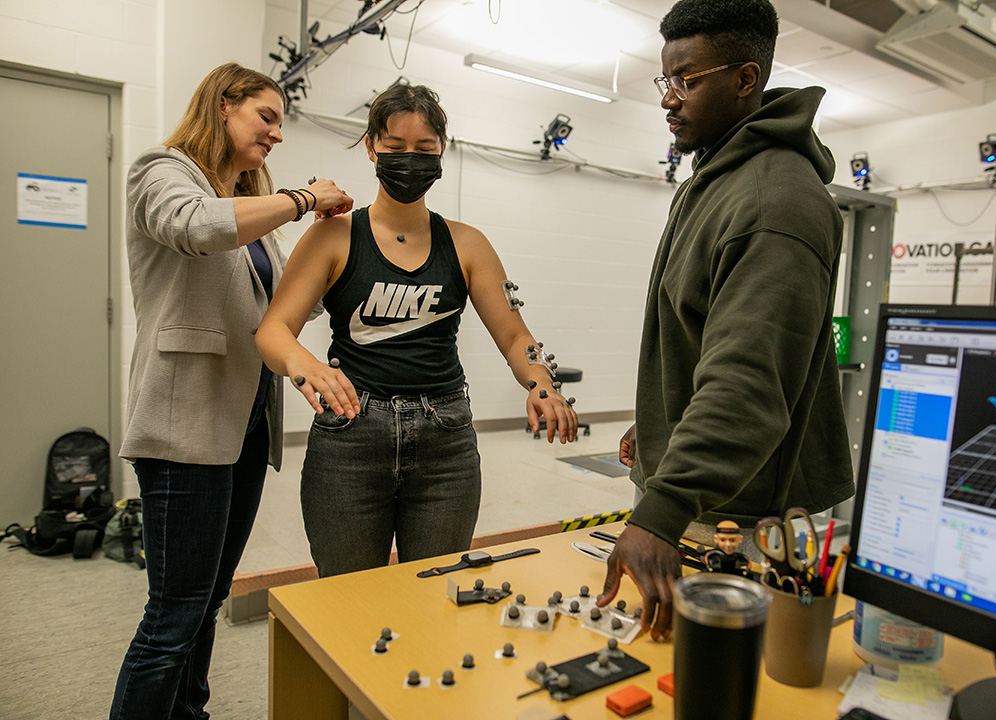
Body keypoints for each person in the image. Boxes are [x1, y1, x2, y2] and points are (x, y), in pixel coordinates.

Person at [599, 0, 854, 639]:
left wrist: (659, 512)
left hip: (732, 522)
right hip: (697, 497)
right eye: (666, 81)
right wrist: (660, 420)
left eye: (687, 80)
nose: (669, 99)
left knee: (717, 690)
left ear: (745, 79)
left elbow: (748, 385)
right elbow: (705, 335)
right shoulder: (710, 182)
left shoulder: (777, 202)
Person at [256, 83, 578, 577]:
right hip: (351, 437)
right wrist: (306, 366)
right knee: (348, 597)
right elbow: (273, 330)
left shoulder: (468, 244)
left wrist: (542, 383)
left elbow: (516, 336)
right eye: (396, 147)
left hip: (444, 441)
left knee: (434, 595)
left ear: (442, 150)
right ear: (371, 147)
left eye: (425, 149)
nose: (410, 159)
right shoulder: (334, 236)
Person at [111, 63, 352, 720]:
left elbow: (270, 311)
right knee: (172, 617)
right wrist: (305, 197)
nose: (275, 134)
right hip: (184, 424)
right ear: (224, 105)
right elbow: (195, 226)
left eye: (280, 123)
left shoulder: (248, 211)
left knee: (207, 599)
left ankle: (189, 714)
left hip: (243, 425)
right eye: (265, 117)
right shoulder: (162, 172)